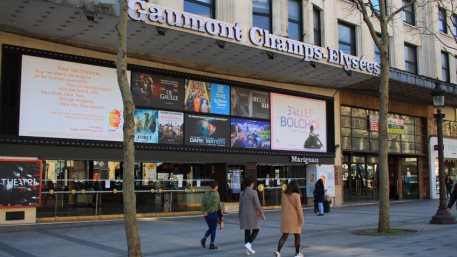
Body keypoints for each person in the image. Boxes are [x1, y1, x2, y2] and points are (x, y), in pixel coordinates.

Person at [273, 180, 304, 257]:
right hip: (294, 218)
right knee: (297, 235)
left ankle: (278, 251)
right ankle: (297, 253)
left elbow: (282, 206)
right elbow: (299, 208)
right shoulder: (296, 195)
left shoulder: (284, 195)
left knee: (284, 235)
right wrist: (301, 218)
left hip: (285, 218)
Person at [239, 177, 266, 255]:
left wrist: (239, 215)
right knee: (256, 229)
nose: (253, 184)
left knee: (247, 231)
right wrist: (262, 214)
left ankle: (248, 250)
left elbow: (240, 206)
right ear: (251, 184)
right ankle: (248, 244)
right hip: (252, 215)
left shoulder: (242, 193)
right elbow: (258, 205)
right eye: (253, 183)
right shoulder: (254, 192)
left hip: (244, 214)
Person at [200, 181, 221, 250]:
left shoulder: (206, 193)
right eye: (217, 186)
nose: (217, 188)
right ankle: (211, 244)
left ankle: (204, 239)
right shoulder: (216, 194)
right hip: (213, 213)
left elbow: (202, 204)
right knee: (213, 229)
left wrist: (204, 211)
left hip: (206, 215)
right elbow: (215, 206)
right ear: (214, 187)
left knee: (211, 228)